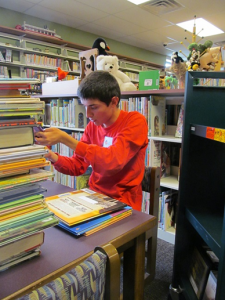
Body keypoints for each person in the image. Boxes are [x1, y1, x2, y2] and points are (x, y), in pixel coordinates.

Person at [35, 71, 148, 211]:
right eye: (85, 107)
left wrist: (65, 138)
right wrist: (51, 156)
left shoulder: (135, 121)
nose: (88, 115)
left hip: (123, 202)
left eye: (93, 107)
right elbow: (77, 166)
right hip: (94, 196)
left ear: (114, 102)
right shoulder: (92, 127)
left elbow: (113, 161)